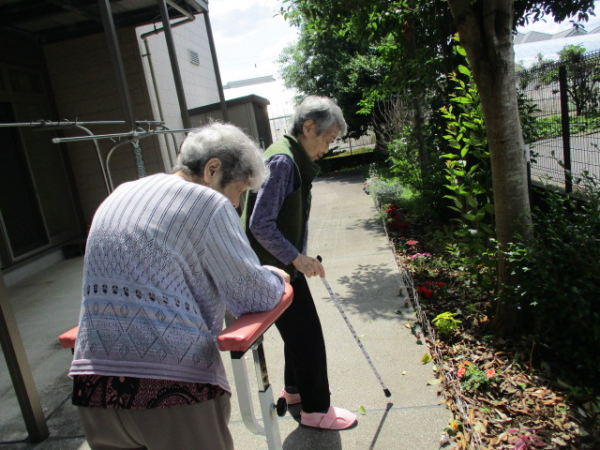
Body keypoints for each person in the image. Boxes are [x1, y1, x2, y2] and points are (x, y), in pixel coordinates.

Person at [69, 122, 290, 450]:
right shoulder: (208, 203)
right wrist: (274, 275)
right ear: (212, 169)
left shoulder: (121, 193)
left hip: (94, 388)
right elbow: (252, 295)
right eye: (240, 190)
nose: (236, 204)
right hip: (171, 389)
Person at [243, 95, 357, 430]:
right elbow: (260, 224)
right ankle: (316, 410)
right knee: (308, 338)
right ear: (308, 128)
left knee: (298, 333)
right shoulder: (284, 161)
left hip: (279, 266)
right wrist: (297, 258)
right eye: (327, 139)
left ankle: (293, 392)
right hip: (274, 270)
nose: (327, 148)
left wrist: (298, 259)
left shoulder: (285, 155)